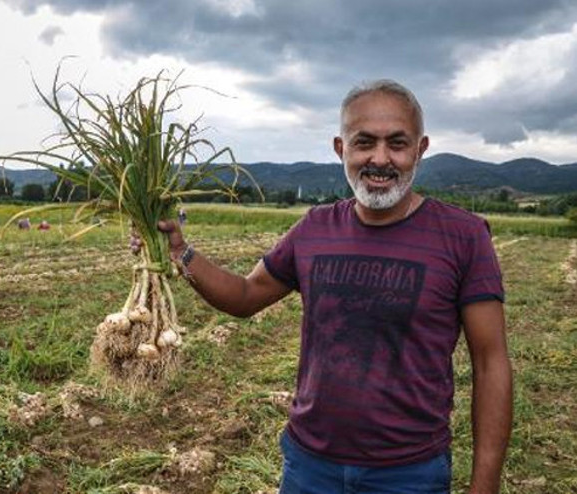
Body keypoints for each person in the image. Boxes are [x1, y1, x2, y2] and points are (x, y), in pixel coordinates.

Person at [155, 80, 512, 493]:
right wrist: (181, 252)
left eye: (397, 143)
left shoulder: (463, 236)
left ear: (420, 148)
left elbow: (491, 363)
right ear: (341, 149)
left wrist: (484, 486)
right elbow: (245, 296)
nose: (380, 159)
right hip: (310, 467)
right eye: (364, 143)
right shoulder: (315, 228)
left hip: (409, 474)